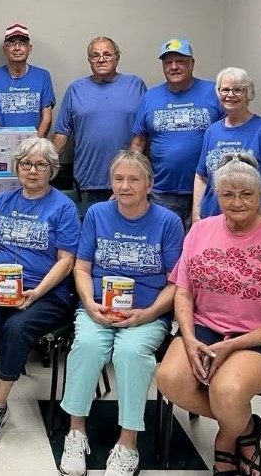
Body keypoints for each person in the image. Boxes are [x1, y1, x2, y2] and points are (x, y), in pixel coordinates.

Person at [157, 153, 261, 476]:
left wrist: (231, 346)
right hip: (206, 329)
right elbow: (184, 292)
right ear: (217, 195)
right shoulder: (201, 232)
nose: (237, 202)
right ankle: (246, 428)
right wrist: (188, 339)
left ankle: (225, 443)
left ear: (260, 194)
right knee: (169, 379)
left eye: (246, 194)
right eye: (228, 193)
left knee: (226, 390)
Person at [58, 150, 184, 476]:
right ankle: (76, 432)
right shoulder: (98, 214)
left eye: (133, 179)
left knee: (129, 353)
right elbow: (82, 267)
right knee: (87, 346)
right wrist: (89, 303)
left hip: (146, 313)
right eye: (118, 179)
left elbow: (176, 282)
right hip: (98, 308)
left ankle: (128, 444)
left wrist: (149, 313)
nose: (125, 186)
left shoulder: (168, 222)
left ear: (149, 184)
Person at [0, 137, 80, 448]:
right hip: (1, 287)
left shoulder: (64, 208)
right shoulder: (4, 201)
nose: (32, 170)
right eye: (26, 164)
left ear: (52, 170)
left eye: (41, 165)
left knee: (17, 328)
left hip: (47, 294)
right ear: (17, 167)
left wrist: (36, 293)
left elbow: (67, 261)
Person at [130, 39, 224, 228]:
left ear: (192, 63)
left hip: (208, 190)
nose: (174, 67)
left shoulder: (214, 92)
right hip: (162, 192)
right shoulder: (150, 97)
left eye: (180, 61)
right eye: (168, 62)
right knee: (166, 248)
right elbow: (138, 143)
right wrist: (131, 176)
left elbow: (233, 131)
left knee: (202, 249)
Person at [52, 37, 147, 202]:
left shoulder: (136, 85)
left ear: (117, 58)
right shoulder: (76, 89)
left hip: (128, 180)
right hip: (87, 181)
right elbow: (61, 135)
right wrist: (46, 166)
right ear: (89, 60)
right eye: (95, 55)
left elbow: (147, 133)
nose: (101, 59)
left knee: (126, 228)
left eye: (107, 54)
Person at [192, 67, 261, 223]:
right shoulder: (212, 131)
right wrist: (197, 217)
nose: (230, 95)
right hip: (211, 220)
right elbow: (201, 176)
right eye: (225, 90)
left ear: (248, 94)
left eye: (238, 90)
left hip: (250, 222)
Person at [0, 24, 56, 137]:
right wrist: (7, 144)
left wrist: (33, 146)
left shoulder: (43, 76)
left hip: (34, 149)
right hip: (2, 147)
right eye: (11, 43)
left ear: (29, 48)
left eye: (21, 43)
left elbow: (46, 118)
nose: (17, 48)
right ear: (4, 49)